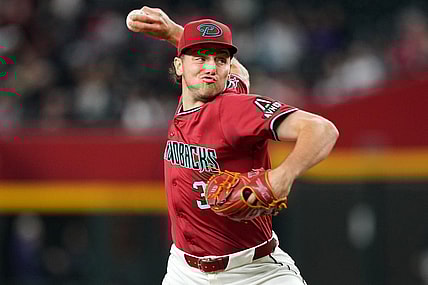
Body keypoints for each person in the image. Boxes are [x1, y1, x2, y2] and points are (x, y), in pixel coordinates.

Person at [127, 7, 339, 285]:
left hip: (254, 273)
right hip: (184, 271)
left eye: (221, 60)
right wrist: (172, 32)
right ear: (179, 65)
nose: (211, 67)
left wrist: (282, 176)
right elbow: (242, 73)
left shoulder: (233, 108)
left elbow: (322, 129)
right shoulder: (194, 100)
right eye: (200, 58)